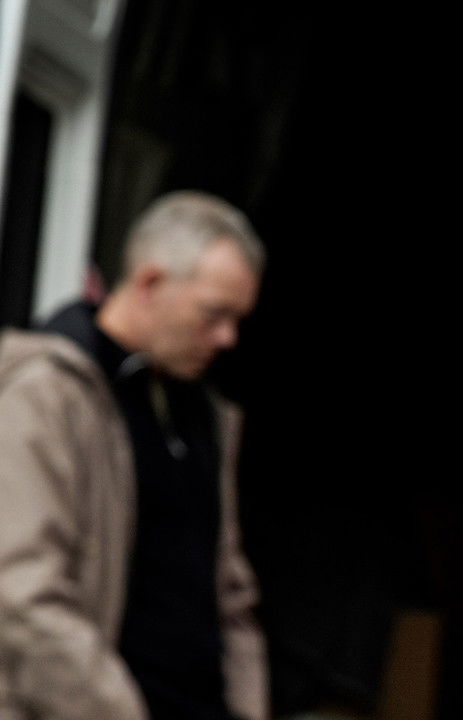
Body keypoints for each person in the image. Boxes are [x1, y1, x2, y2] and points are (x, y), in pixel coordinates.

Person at [0, 190, 269, 720]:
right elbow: (22, 592)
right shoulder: (48, 394)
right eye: (214, 314)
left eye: (238, 319)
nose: (227, 338)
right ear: (149, 283)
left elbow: (231, 596)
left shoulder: (204, 413)